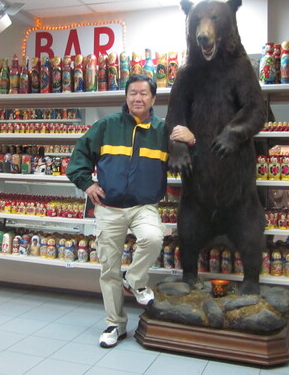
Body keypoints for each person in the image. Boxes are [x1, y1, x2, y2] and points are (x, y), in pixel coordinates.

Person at [66, 74, 195, 349]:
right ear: (126, 96)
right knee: (108, 269)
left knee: (153, 237)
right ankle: (115, 324)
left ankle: (134, 280)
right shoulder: (107, 125)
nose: (138, 98)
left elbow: (190, 162)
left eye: (143, 93)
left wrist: (193, 140)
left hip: (143, 205)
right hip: (109, 208)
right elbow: (79, 157)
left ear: (153, 98)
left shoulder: (164, 130)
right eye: (133, 93)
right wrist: (87, 184)